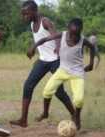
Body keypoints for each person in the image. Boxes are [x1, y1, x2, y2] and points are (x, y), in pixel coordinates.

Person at [10, 0, 75, 128]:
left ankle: (74, 114)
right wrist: (34, 50)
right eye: (23, 14)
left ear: (35, 11)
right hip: (43, 60)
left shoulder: (45, 21)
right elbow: (41, 41)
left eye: (26, 14)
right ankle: (23, 119)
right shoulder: (32, 24)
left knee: (59, 92)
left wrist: (57, 47)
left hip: (55, 60)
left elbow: (56, 35)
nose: (24, 17)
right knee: (28, 85)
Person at [28, 18, 95, 130]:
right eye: (72, 34)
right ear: (68, 29)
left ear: (81, 31)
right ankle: (45, 113)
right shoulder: (62, 35)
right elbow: (43, 40)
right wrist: (33, 47)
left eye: (76, 35)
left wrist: (91, 64)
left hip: (77, 73)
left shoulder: (83, 40)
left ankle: (76, 117)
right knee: (47, 91)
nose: (74, 37)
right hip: (62, 70)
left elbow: (92, 48)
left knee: (78, 100)